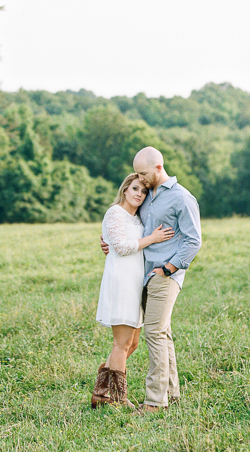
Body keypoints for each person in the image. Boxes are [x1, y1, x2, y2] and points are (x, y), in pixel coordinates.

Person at [100, 146, 201, 413]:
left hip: (164, 275)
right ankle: (171, 392)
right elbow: (127, 226)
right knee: (162, 333)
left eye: (144, 174)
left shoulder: (182, 198)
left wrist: (168, 268)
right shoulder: (149, 195)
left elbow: (193, 241)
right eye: (137, 177)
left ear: (158, 167)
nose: (140, 181)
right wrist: (109, 241)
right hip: (142, 276)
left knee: (154, 333)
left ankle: (155, 401)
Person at [92, 173, 174, 409]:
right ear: (126, 189)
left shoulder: (136, 218)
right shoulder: (115, 212)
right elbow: (122, 246)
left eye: (144, 191)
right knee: (121, 343)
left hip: (136, 282)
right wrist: (153, 238)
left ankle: (101, 387)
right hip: (122, 282)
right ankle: (118, 398)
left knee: (133, 343)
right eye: (136, 189)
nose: (140, 194)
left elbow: (121, 242)